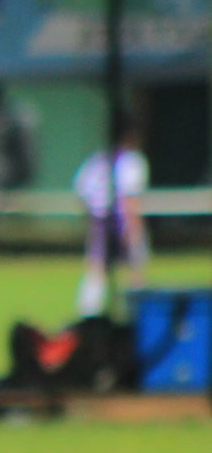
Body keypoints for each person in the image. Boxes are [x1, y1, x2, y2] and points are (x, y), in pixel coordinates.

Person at [74, 122, 149, 316]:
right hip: (122, 220)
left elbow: (82, 191)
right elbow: (130, 200)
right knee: (132, 271)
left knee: (97, 269)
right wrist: (133, 231)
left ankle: (88, 314)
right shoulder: (132, 161)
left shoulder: (97, 160)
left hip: (99, 219)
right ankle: (134, 313)